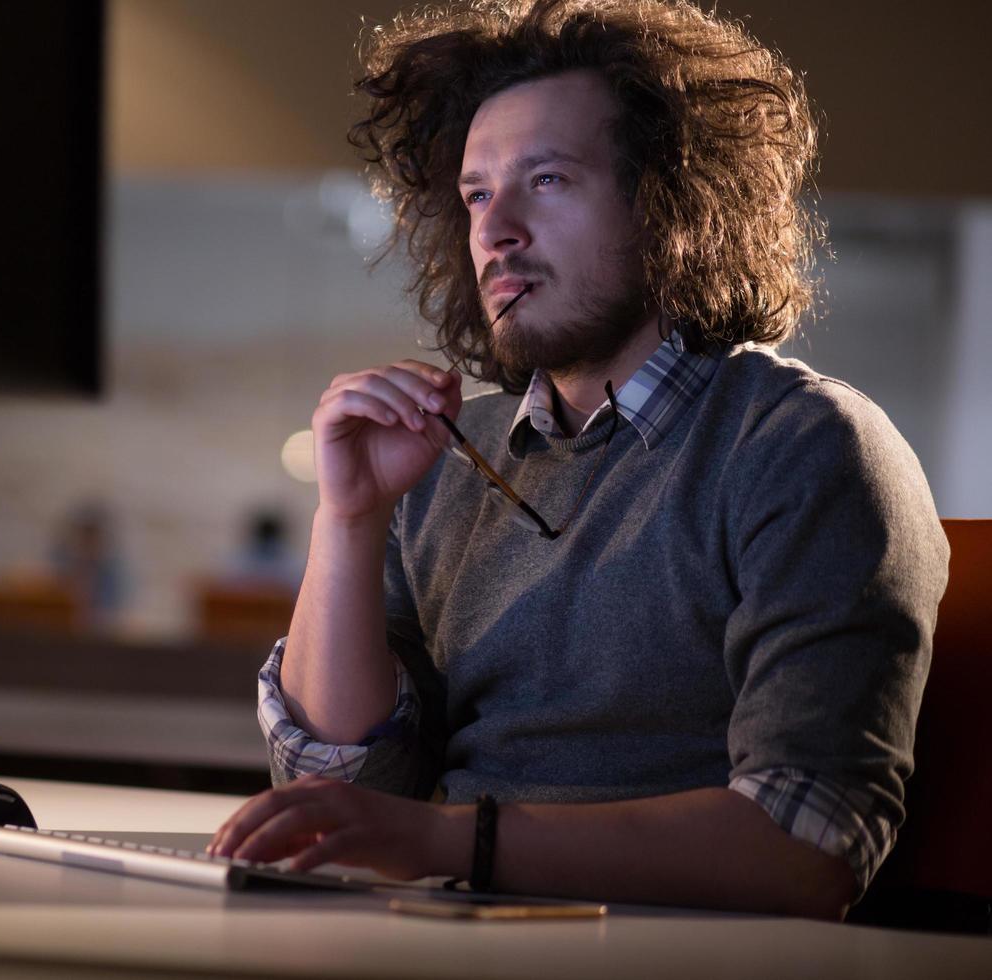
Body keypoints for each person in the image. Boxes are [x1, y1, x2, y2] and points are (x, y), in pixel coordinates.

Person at [207, 0, 948, 919]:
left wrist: (451, 840)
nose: (494, 229)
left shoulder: (806, 448)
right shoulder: (441, 462)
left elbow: (808, 847)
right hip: (438, 935)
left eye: (546, 180)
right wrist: (349, 521)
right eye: (477, 193)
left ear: (671, 201)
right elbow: (352, 780)